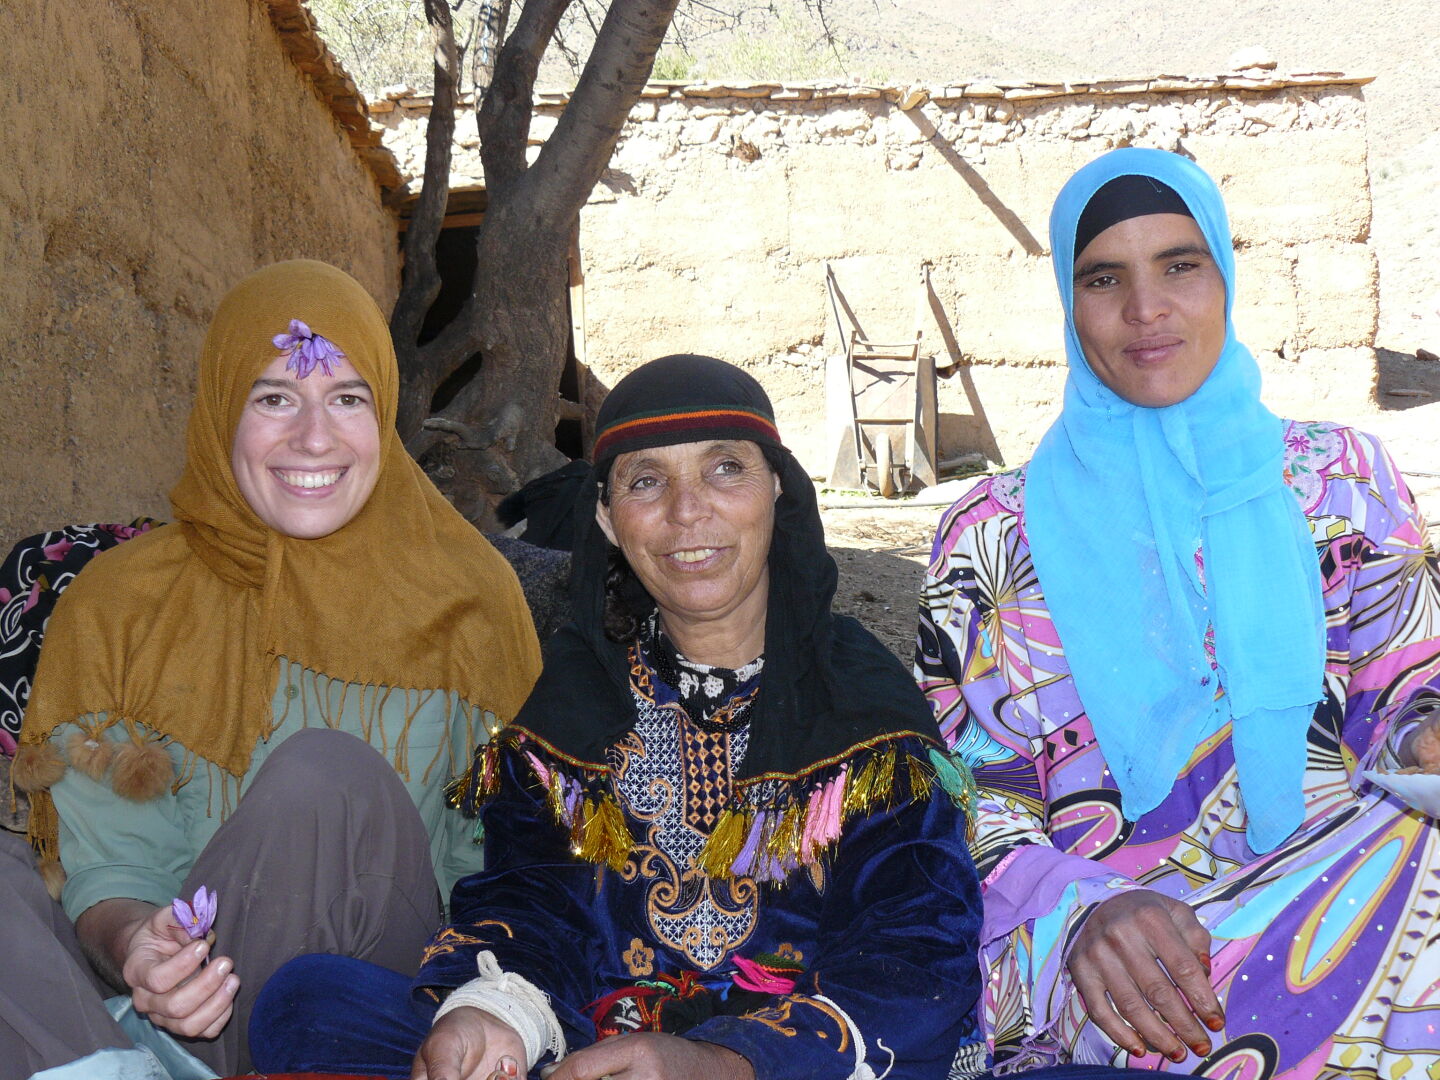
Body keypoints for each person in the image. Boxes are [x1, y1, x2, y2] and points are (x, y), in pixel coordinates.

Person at [251, 353, 997, 1080]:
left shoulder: (866, 713)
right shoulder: (573, 707)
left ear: (778, 488)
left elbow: (915, 959)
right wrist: (495, 1015)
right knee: (307, 1002)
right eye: (647, 481)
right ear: (607, 517)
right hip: (596, 1055)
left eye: (725, 468)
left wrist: (724, 1063)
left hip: (790, 1062)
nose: (686, 509)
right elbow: (532, 906)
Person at [915, 146, 1440, 1077]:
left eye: (1179, 267)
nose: (1145, 310)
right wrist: (1082, 905)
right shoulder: (988, 535)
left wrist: (1425, 735)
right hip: (1104, 946)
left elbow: (1409, 690)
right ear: (1069, 308)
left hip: (1347, 876)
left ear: (1225, 278)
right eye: (1104, 278)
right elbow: (969, 795)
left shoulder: (1342, 479)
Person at [7, 259, 542, 1078]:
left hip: (367, 1003)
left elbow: (514, 868)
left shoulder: (469, 601)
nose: (314, 437)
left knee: (324, 780)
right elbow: (109, 862)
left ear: (385, 414)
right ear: (224, 410)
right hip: (164, 1014)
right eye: (274, 398)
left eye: (348, 399)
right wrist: (137, 943)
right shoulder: (123, 603)